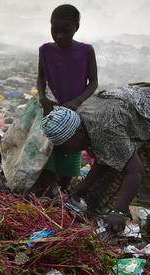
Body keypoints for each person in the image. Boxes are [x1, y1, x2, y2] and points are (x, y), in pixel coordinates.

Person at [41, 85, 150, 233]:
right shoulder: (82, 119)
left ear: (78, 132)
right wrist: (80, 190)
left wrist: (119, 212)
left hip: (142, 110)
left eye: (69, 144)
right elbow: (104, 156)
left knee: (136, 176)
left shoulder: (105, 127)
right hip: (133, 107)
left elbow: (135, 172)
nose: (69, 150)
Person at [35, 4, 98, 194]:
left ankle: (63, 189)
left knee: (71, 150)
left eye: (66, 30)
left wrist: (77, 101)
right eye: (55, 30)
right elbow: (41, 77)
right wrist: (42, 97)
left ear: (76, 27)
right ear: (50, 26)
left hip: (74, 112)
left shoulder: (86, 50)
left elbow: (93, 82)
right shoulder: (45, 50)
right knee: (46, 151)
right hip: (51, 108)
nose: (60, 35)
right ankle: (46, 188)